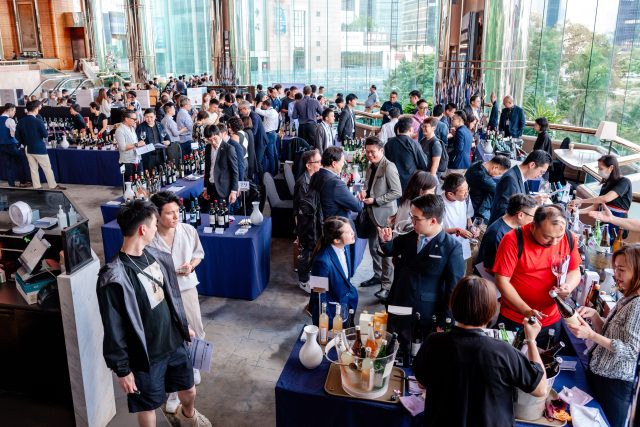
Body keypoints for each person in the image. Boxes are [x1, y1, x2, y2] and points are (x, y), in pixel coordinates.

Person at [96, 200, 211, 427]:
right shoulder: (114, 277)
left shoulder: (155, 256)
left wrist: (183, 324)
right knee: (147, 406)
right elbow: (113, 327)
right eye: (154, 224)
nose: (156, 228)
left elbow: (171, 297)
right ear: (143, 229)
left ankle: (188, 416)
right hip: (146, 356)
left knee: (189, 389)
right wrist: (122, 371)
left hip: (174, 342)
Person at [413, 276, 546, 427]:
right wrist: (531, 340)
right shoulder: (504, 352)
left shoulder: (434, 342)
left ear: (452, 305)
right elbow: (541, 389)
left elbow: (422, 384)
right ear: (491, 312)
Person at [565, 245, 640, 427]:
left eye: (621, 270)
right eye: (615, 268)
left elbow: (631, 351)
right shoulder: (628, 297)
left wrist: (591, 334)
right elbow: (612, 333)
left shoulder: (637, 305)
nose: (616, 275)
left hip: (614, 385)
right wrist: (595, 317)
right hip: (602, 376)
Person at [149, 191, 206, 414]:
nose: (176, 216)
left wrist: (191, 265)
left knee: (196, 328)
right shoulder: (150, 237)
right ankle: (174, 390)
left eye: (177, 211)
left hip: (187, 286)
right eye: (170, 213)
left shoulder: (188, 231)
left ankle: (195, 366)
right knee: (171, 337)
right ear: (157, 215)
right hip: (162, 292)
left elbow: (199, 254)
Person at [493, 205, 582, 344]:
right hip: (516, 318)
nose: (554, 242)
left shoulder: (569, 237)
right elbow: (502, 281)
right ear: (533, 226)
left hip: (551, 318)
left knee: (544, 356)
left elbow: (575, 270)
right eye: (547, 237)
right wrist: (526, 310)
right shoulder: (513, 239)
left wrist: (568, 286)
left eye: (559, 237)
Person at [378, 194, 465, 336]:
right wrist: (386, 241)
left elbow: (453, 288)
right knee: (393, 341)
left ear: (433, 221)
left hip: (425, 311)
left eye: (416, 218)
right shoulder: (410, 234)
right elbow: (390, 250)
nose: (412, 221)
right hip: (399, 301)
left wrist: (445, 320)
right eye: (411, 216)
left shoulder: (451, 247)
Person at [357, 137, 402, 301]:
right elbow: (368, 185)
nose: (369, 155)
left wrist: (376, 200)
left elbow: (397, 192)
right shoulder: (371, 166)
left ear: (381, 151)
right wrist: (364, 192)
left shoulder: (389, 167)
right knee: (373, 248)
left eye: (372, 152)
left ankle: (386, 286)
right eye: (367, 151)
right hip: (371, 214)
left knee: (386, 252)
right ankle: (377, 276)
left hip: (385, 215)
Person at [309, 216, 358, 329]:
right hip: (332, 313)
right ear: (336, 240)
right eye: (348, 232)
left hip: (347, 304)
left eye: (351, 230)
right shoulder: (321, 261)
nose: (353, 233)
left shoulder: (345, 248)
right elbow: (319, 296)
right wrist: (328, 323)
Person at [569, 155, 632, 237]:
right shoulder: (606, 185)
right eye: (598, 168)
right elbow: (594, 207)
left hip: (618, 223)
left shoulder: (624, 182)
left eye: (601, 168)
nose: (599, 171)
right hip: (604, 221)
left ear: (611, 168)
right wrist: (577, 211)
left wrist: (581, 201)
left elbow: (606, 198)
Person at [475, 194, 537, 274]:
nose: (534, 221)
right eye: (533, 216)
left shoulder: (516, 226)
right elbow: (489, 268)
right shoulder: (496, 234)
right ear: (520, 215)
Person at [488, 150, 551, 225]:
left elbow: (518, 201)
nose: (540, 176)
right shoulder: (510, 179)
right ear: (532, 165)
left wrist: (532, 200)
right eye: (541, 172)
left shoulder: (522, 177)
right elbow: (504, 211)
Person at [16, 101, 65, 190]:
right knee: (47, 168)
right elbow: (45, 135)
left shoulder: (21, 121)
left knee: (33, 169)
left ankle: (37, 186)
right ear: (35, 109)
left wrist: (25, 143)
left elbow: (17, 136)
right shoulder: (38, 121)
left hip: (28, 147)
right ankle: (52, 185)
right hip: (39, 148)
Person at [294, 149, 323, 293]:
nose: (321, 164)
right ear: (308, 165)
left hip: (314, 222)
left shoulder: (314, 178)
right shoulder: (303, 183)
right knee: (307, 252)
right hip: (307, 224)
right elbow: (305, 209)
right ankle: (303, 281)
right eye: (318, 162)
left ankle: (313, 280)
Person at [308, 146, 362, 220]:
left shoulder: (315, 175)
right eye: (342, 162)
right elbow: (358, 207)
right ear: (334, 164)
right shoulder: (336, 184)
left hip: (319, 221)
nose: (343, 165)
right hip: (336, 224)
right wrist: (360, 199)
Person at [383, 117, 428, 191]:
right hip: (408, 183)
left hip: (391, 181)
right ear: (410, 129)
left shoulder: (388, 143)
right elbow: (424, 164)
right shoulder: (413, 143)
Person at [465, 155, 511, 224]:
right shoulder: (483, 177)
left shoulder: (477, 163)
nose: (498, 176)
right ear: (495, 167)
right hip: (473, 206)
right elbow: (497, 190)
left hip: (469, 199)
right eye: (499, 173)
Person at [441, 173, 476, 261]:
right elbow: (435, 231)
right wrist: (457, 230)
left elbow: (468, 216)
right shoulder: (439, 204)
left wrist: (471, 227)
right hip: (446, 248)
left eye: (468, 189)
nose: (467, 193)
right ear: (450, 194)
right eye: (463, 191)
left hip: (463, 245)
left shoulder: (465, 198)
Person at [202, 125, 239, 206]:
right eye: (209, 140)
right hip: (210, 188)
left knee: (223, 214)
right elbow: (207, 169)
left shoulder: (229, 149)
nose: (213, 142)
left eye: (215, 139)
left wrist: (234, 191)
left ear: (220, 134)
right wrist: (205, 188)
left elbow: (235, 172)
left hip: (223, 190)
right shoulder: (208, 147)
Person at [0, 103, 29, 188]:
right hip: (11, 145)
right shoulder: (9, 120)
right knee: (20, 162)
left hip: (1, 146)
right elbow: (14, 134)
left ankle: (11, 184)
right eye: (14, 111)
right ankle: (23, 182)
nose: (14, 113)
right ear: (10, 110)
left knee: (8, 165)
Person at [238, 101, 267, 180]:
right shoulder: (248, 115)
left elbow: (253, 132)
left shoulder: (253, 116)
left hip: (260, 141)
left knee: (258, 162)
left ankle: (262, 182)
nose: (240, 112)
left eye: (241, 110)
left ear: (245, 108)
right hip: (256, 141)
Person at [136, 108, 170, 173]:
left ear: (155, 116)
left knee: (162, 174)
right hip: (148, 157)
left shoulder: (160, 125)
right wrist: (141, 143)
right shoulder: (140, 127)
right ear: (144, 117)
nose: (149, 119)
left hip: (160, 155)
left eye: (151, 117)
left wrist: (168, 142)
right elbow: (138, 141)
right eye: (147, 117)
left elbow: (167, 137)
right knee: (150, 176)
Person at [116, 111, 145, 182]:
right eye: (134, 119)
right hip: (127, 162)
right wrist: (137, 144)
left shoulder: (132, 128)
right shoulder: (120, 130)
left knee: (139, 182)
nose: (136, 121)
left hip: (137, 159)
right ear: (126, 119)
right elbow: (123, 147)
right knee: (129, 183)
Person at [254, 98, 279, 175]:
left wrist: (261, 101)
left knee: (270, 154)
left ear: (265, 105)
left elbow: (257, 110)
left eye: (263, 105)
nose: (262, 106)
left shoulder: (269, 112)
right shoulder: (274, 111)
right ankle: (274, 171)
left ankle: (272, 173)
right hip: (273, 133)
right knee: (273, 153)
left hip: (269, 135)